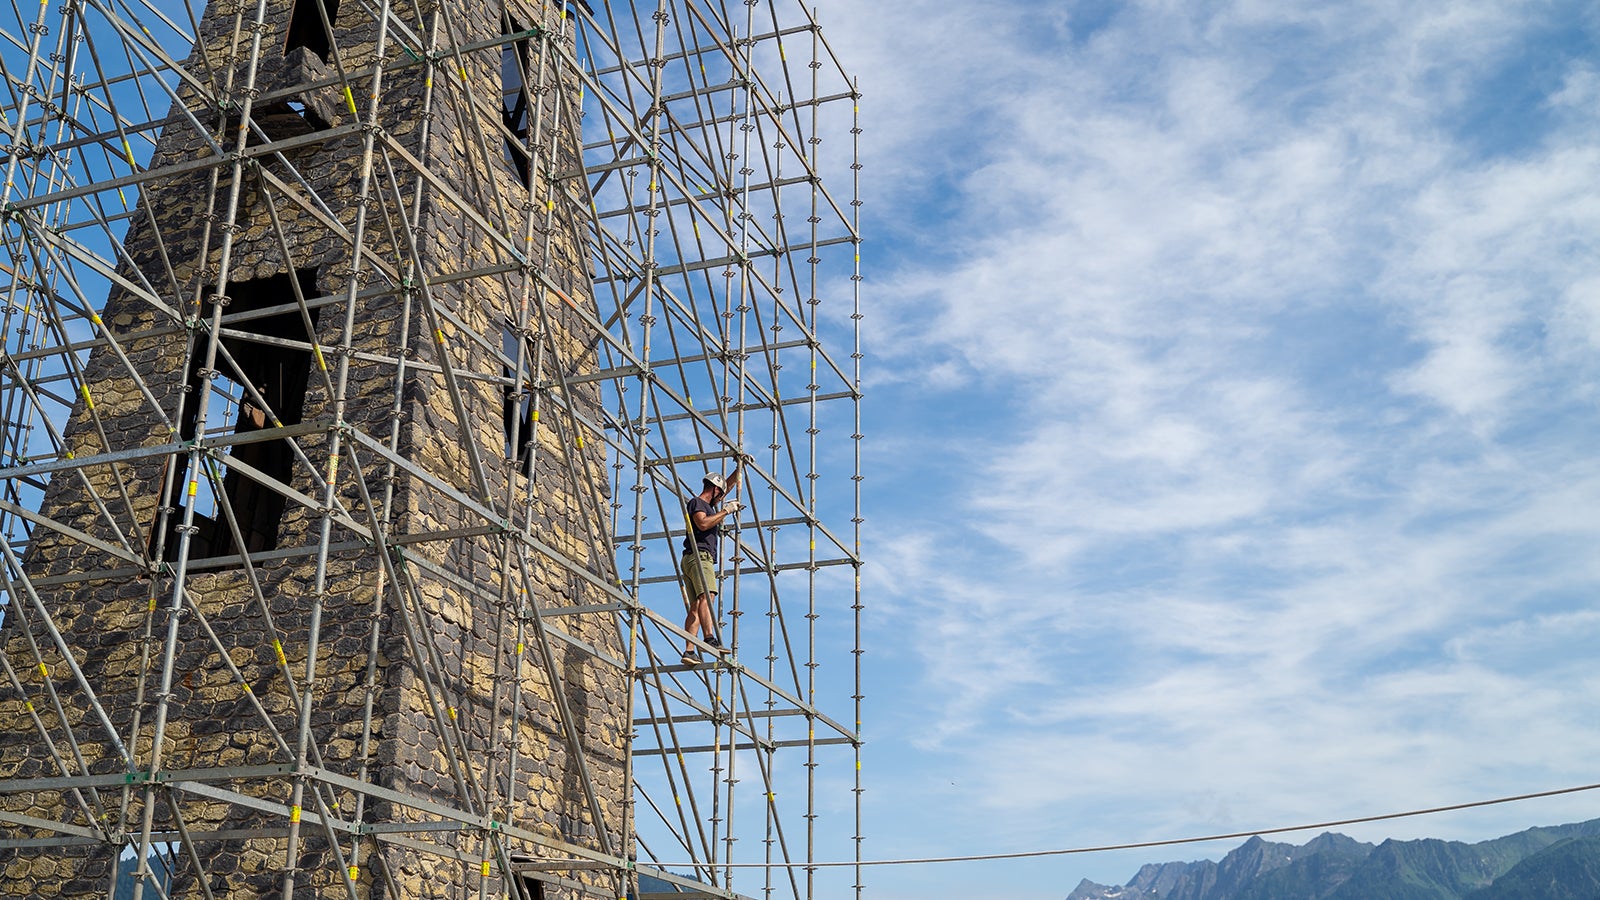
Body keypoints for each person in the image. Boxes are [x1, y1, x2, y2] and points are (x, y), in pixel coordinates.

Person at [680, 462, 742, 665]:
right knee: (708, 596)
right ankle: (709, 638)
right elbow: (703, 523)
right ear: (715, 489)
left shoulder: (709, 505)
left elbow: (728, 485)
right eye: (720, 492)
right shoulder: (698, 503)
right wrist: (726, 512)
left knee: (697, 606)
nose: (722, 496)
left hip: (691, 558)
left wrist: (739, 467)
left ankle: (689, 651)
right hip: (700, 557)